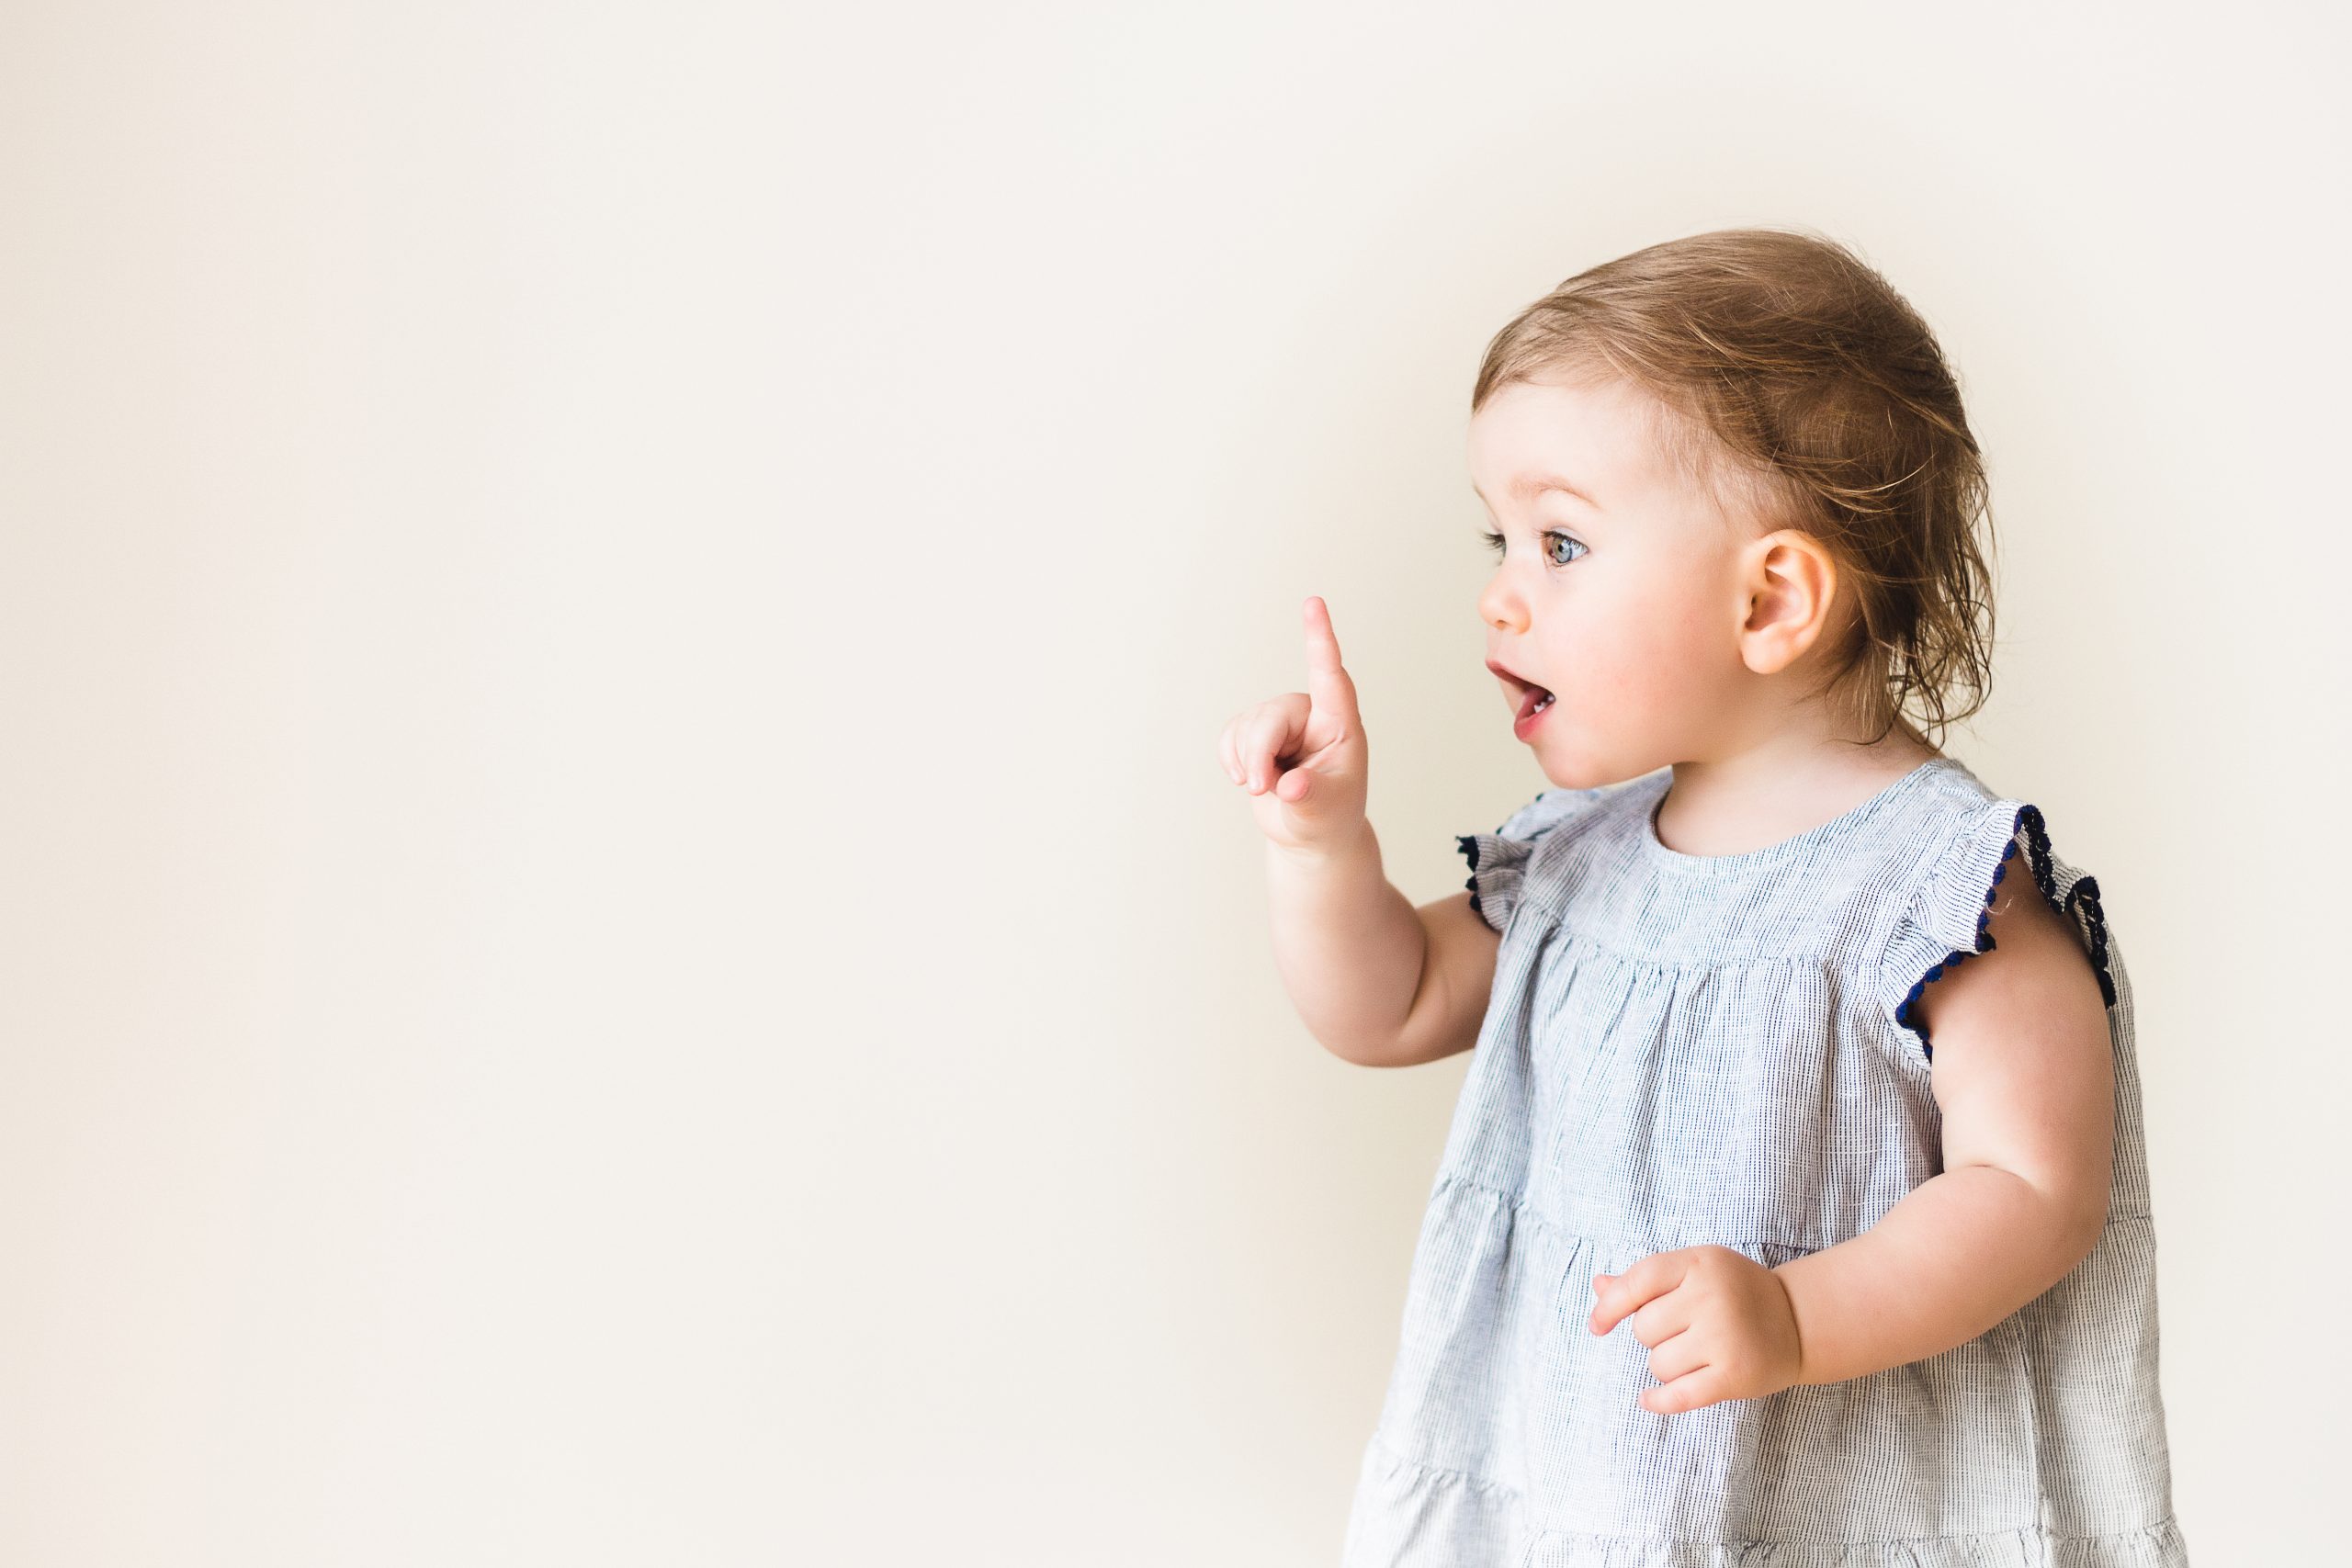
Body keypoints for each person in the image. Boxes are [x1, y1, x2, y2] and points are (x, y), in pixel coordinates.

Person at [1217, 229, 2188, 1565]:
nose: (1501, 597)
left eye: (1560, 542)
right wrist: (1320, 846)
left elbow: (2034, 1191)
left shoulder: (1944, 896)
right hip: (1587, 1483)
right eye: (1502, 538)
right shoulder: (1586, 854)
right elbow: (1390, 1003)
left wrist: (1798, 1317)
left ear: (1772, 598)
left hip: (1830, 1504)